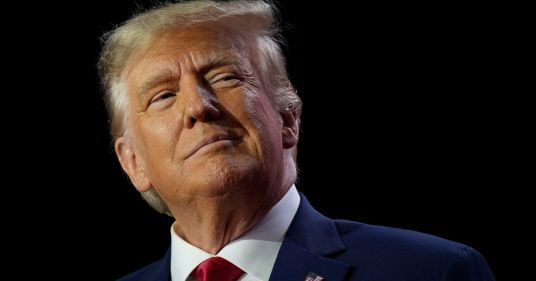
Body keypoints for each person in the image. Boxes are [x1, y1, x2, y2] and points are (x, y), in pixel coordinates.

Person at [98, 1, 496, 280]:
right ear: (132, 161)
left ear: (287, 118)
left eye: (224, 77)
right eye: (163, 95)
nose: (198, 107)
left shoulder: (430, 271)